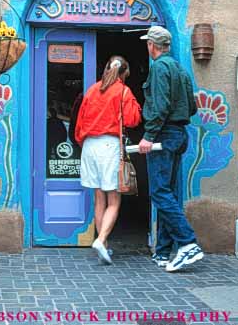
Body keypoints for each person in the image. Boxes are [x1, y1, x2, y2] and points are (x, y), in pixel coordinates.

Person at [138, 25, 204, 272]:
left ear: (151, 45)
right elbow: (193, 108)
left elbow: (161, 105)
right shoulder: (180, 68)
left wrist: (148, 135)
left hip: (163, 136)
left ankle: (188, 243)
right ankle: (163, 252)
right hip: (178, 135)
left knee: (159, 193)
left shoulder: (159, 68)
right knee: (167, 193)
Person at [75, 56, 141, 264]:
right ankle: (101, 239)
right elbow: (132, 119)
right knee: (114, 199)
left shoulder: (93, 89)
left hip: (89, 146)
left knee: (99, 198)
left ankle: (104, 245)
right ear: (124, 73)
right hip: (108, 145)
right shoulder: (123, 91)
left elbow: (79, 121)